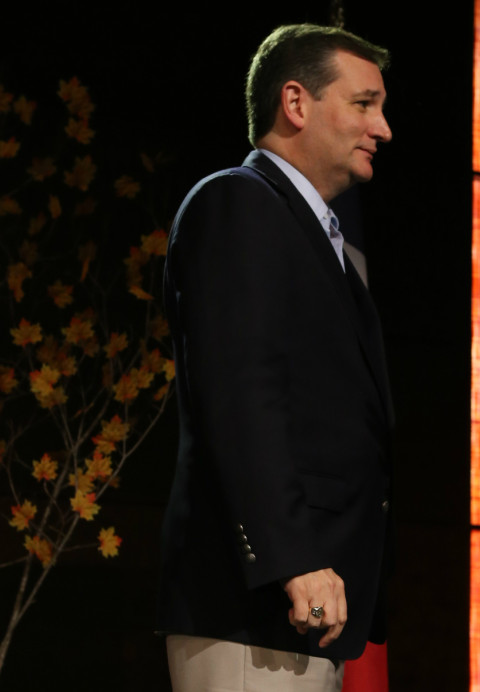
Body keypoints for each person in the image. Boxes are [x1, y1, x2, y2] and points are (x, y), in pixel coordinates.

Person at [158, 23, 394, 692]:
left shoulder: (313, 235)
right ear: (295, 103)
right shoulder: (236, 201)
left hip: (306, 605)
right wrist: (293, 559)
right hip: (254, 602)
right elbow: (240, 393)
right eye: (364, 103)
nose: (384, 128)